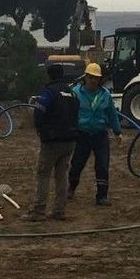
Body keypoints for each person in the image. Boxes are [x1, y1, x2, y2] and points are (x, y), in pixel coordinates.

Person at [23, 64, 79, 222]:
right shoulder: (72, 93)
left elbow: (39, 112)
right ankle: (59, 211)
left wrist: (41, 131)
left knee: (43, 174)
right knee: (61, 175)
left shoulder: (48, 92)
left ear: (49, 75)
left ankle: (38, 211)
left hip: (52, 141)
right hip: (70, 141)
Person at [67, 63, 121, 206]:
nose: (93, 80)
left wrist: (117, 132)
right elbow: (68, 113)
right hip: (82, 135)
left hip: (100, 134)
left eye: (96, 78)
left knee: (102, 165)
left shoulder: (105, 95)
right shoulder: (75, 93)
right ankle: (71, 187)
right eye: (91, 77)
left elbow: (112, 114)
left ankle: (102, 196)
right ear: (86, 77)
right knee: (77, 164)